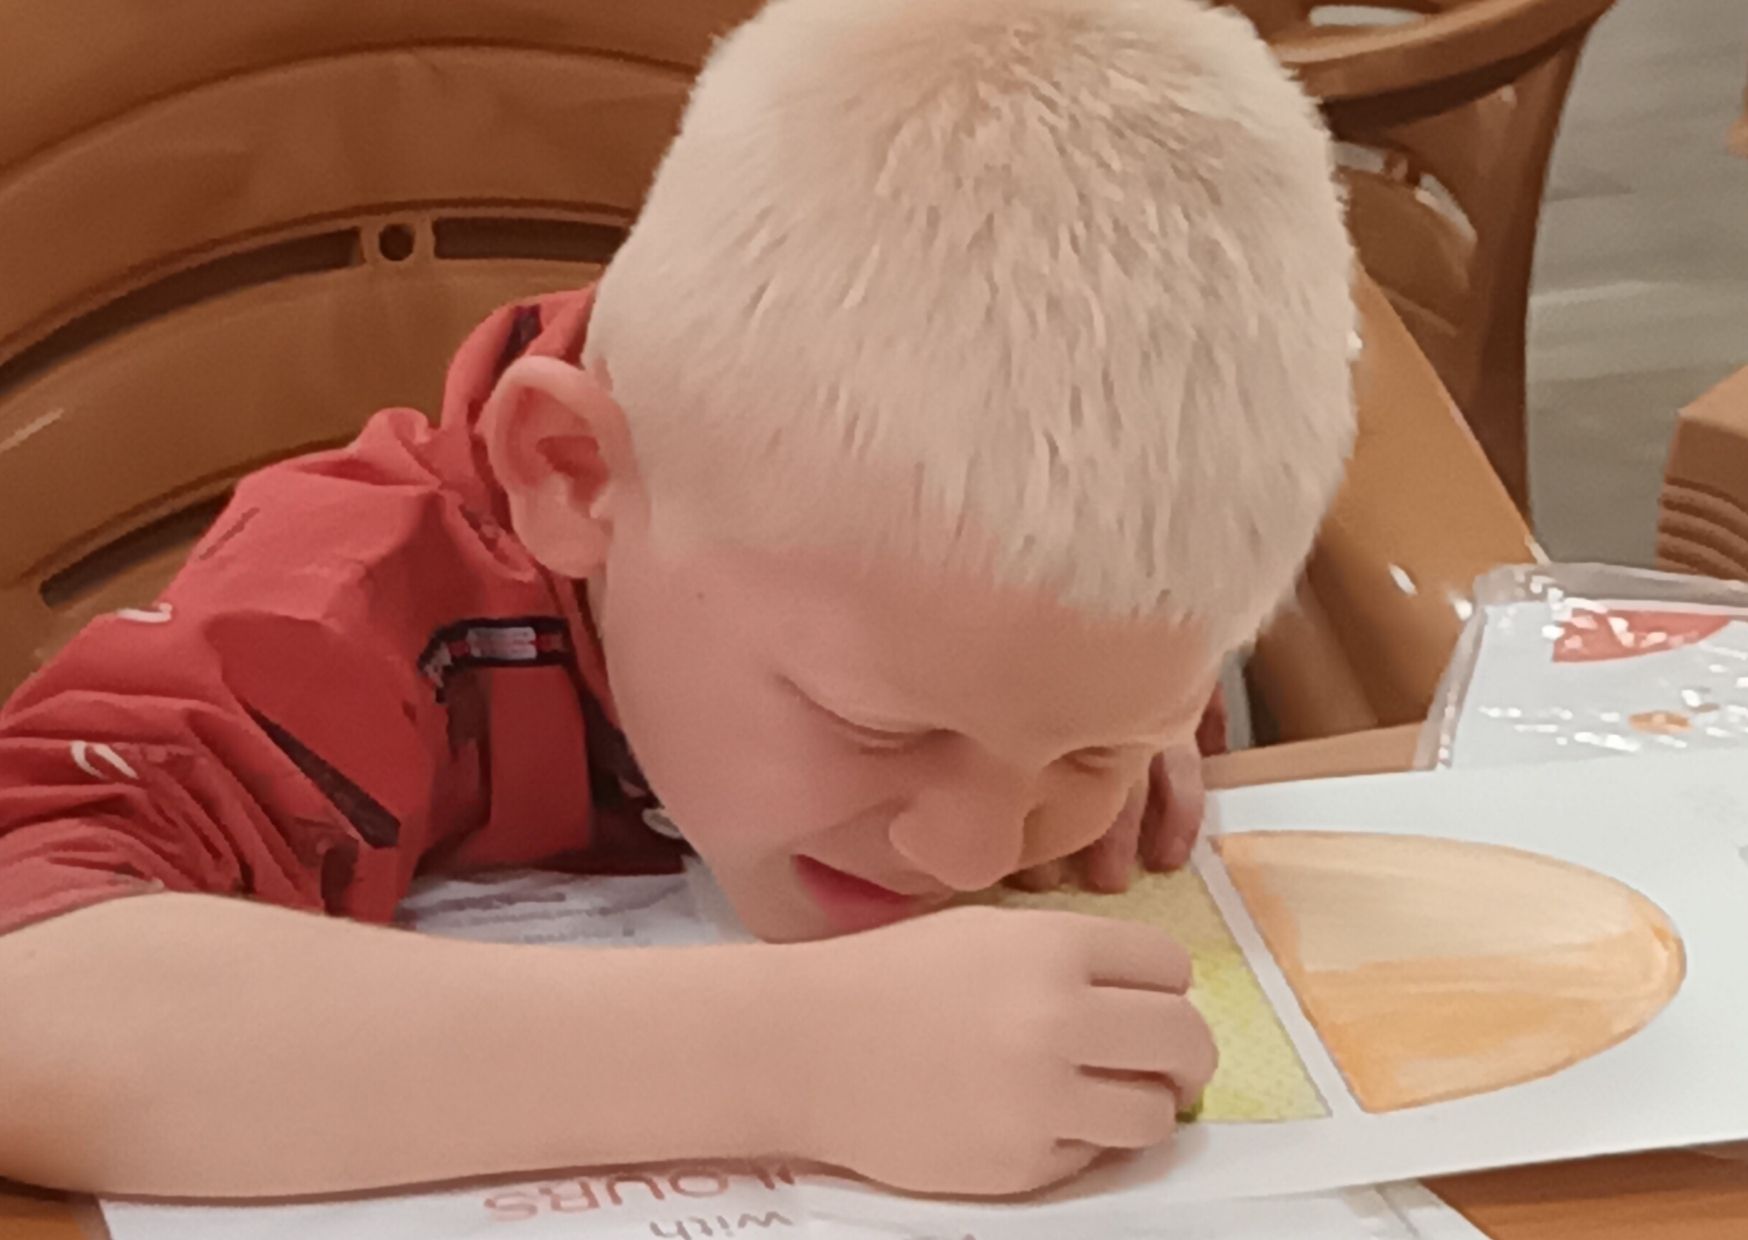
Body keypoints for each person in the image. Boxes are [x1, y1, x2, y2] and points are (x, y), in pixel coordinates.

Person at [0, 0, 1353, 1202]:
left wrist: (1086, 732)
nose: (970, 850)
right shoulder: (339, 606)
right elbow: (26, 1002)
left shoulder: (974, 613)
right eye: (880, 729)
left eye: (1090, 752)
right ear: (572, 476)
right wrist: (792, 1056)